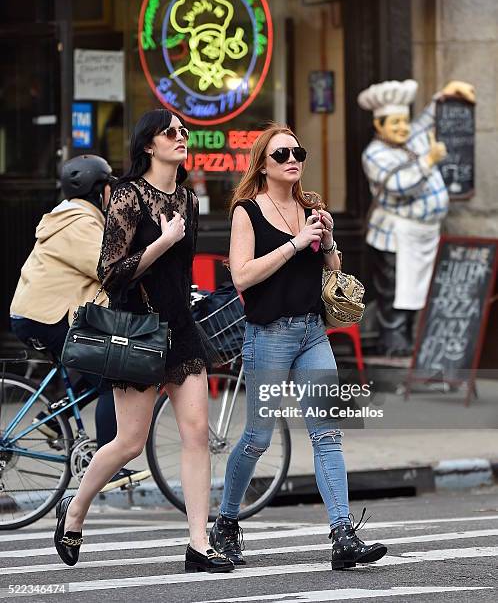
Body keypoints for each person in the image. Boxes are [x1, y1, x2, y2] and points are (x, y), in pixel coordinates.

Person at [52, 109, 233, 574]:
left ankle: (199, 544)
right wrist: (162, 241)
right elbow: (111, 274)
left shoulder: (189, 199)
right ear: (149, 145)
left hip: (181, 329)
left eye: (183, 131)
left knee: (196, 435)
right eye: (170, 132)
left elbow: (180, 270)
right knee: (129, 442)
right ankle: (75, 510)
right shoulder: (129, 196)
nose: (181, 137)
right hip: (136, 331)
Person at [208, 124, 388, 571]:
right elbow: (242, 276)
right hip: (268, 336)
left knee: (327, 433)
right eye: (282, 153)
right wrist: (293, 244)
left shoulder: (312, 207)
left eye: (298, 151)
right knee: (258, 438)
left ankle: (343, 535)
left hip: (312, 333)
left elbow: (331, 265)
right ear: (263, 166)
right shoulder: (246, 212)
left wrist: (326, 241)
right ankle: (226, 523)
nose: (293, 159)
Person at [9, 154, 149, 491]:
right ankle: (107, 466)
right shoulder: (79, 222)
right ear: (97, 190)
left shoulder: (74, 216)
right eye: (108, 187)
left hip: (43, 314)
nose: (111, 194)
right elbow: (107, 269)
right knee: (113, 379)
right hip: (46, 317)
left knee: (98, 369)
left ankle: (52, 421)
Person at [358, 79, 476, 356]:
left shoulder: (412, 139)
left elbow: (426, 120)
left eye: (404, 121)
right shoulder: (374, 154)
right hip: (396, 235)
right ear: (379, 125)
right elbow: (400, 185)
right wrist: (429, 160)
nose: (402, 128)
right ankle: (394, 347)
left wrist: (447, 93)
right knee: (396, 292)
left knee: (419, 291)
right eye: (394, 123)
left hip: (425, 233)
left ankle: (416, 343)